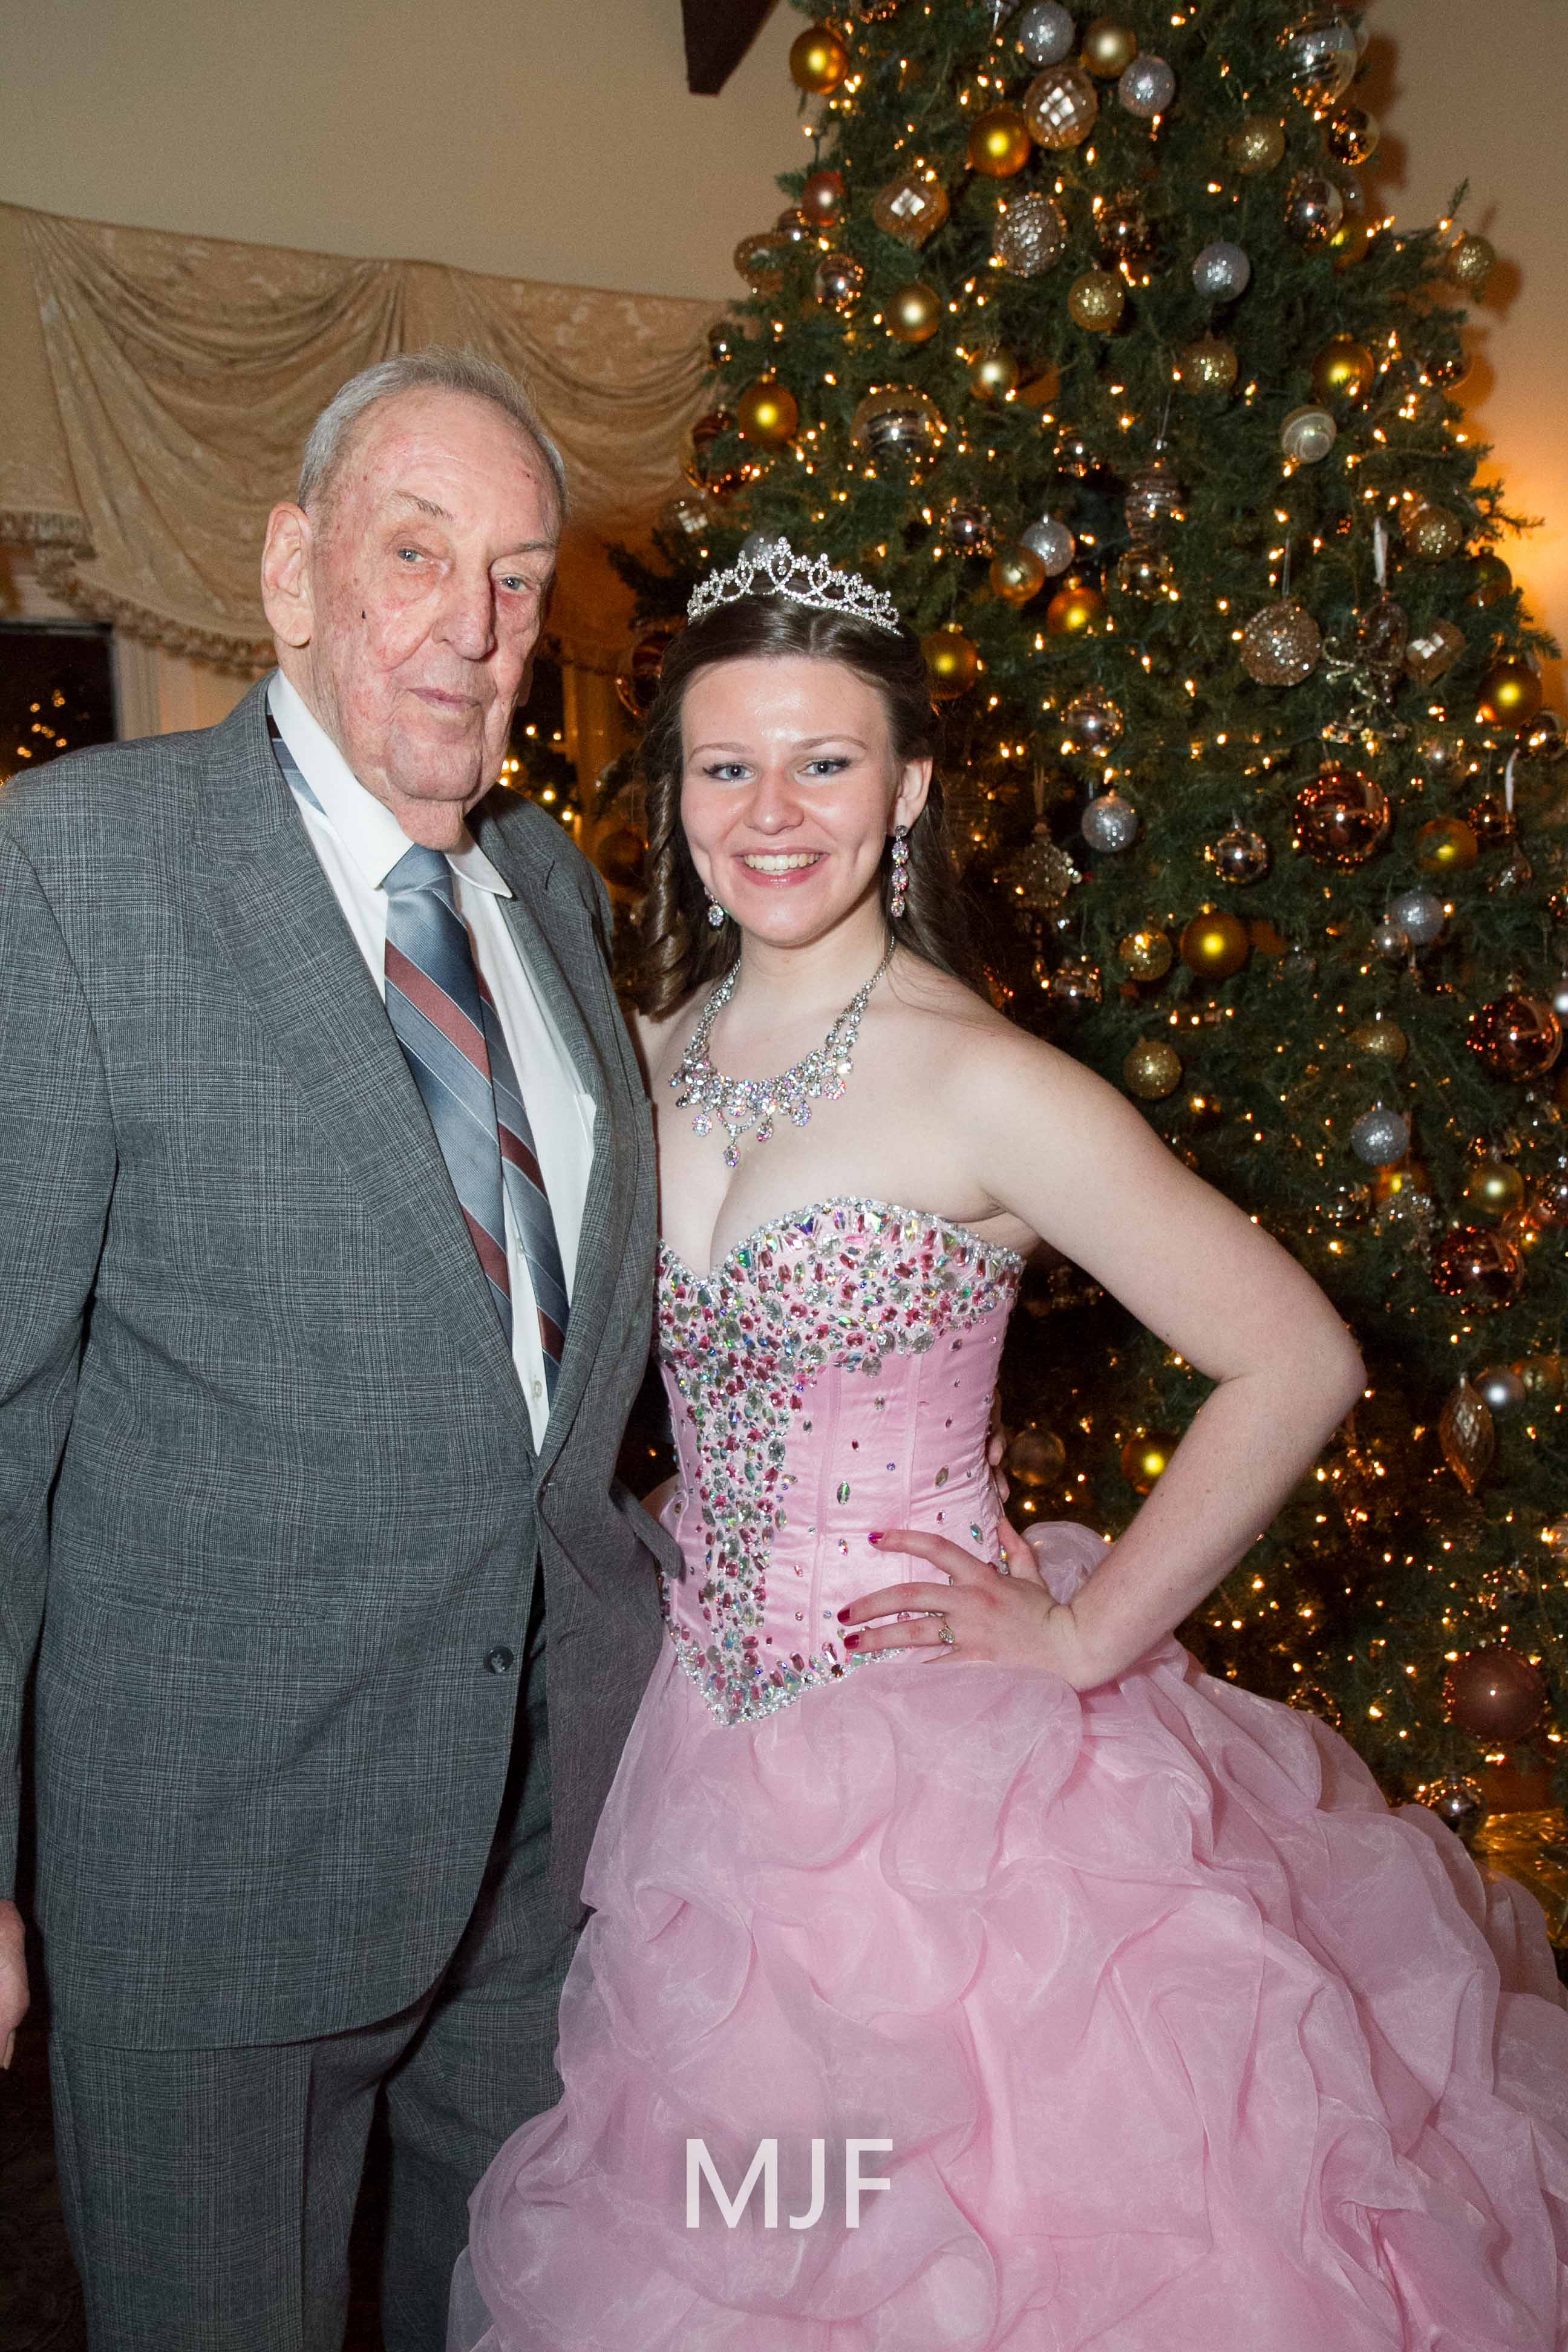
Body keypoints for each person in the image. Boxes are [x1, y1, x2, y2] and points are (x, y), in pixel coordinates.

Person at [450, 538, 1568, 2351]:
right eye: (728, 766)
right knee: (760, 2223)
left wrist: (1083, 1633)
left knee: (996, 2245)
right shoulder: (645, 1055)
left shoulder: (988, 1081)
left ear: (908, 789)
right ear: (675, 796)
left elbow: (1294, 1357)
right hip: (705, 1764)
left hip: (952, 1798)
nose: (773, 812)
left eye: (826, 761)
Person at [0, 348, 676, 2351]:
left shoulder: (549, 885)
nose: (475, 628)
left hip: (544, 1841)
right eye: (416, 553)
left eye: (518, 578)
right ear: (293, 572)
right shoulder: (70, 867)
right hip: (215, 1867)